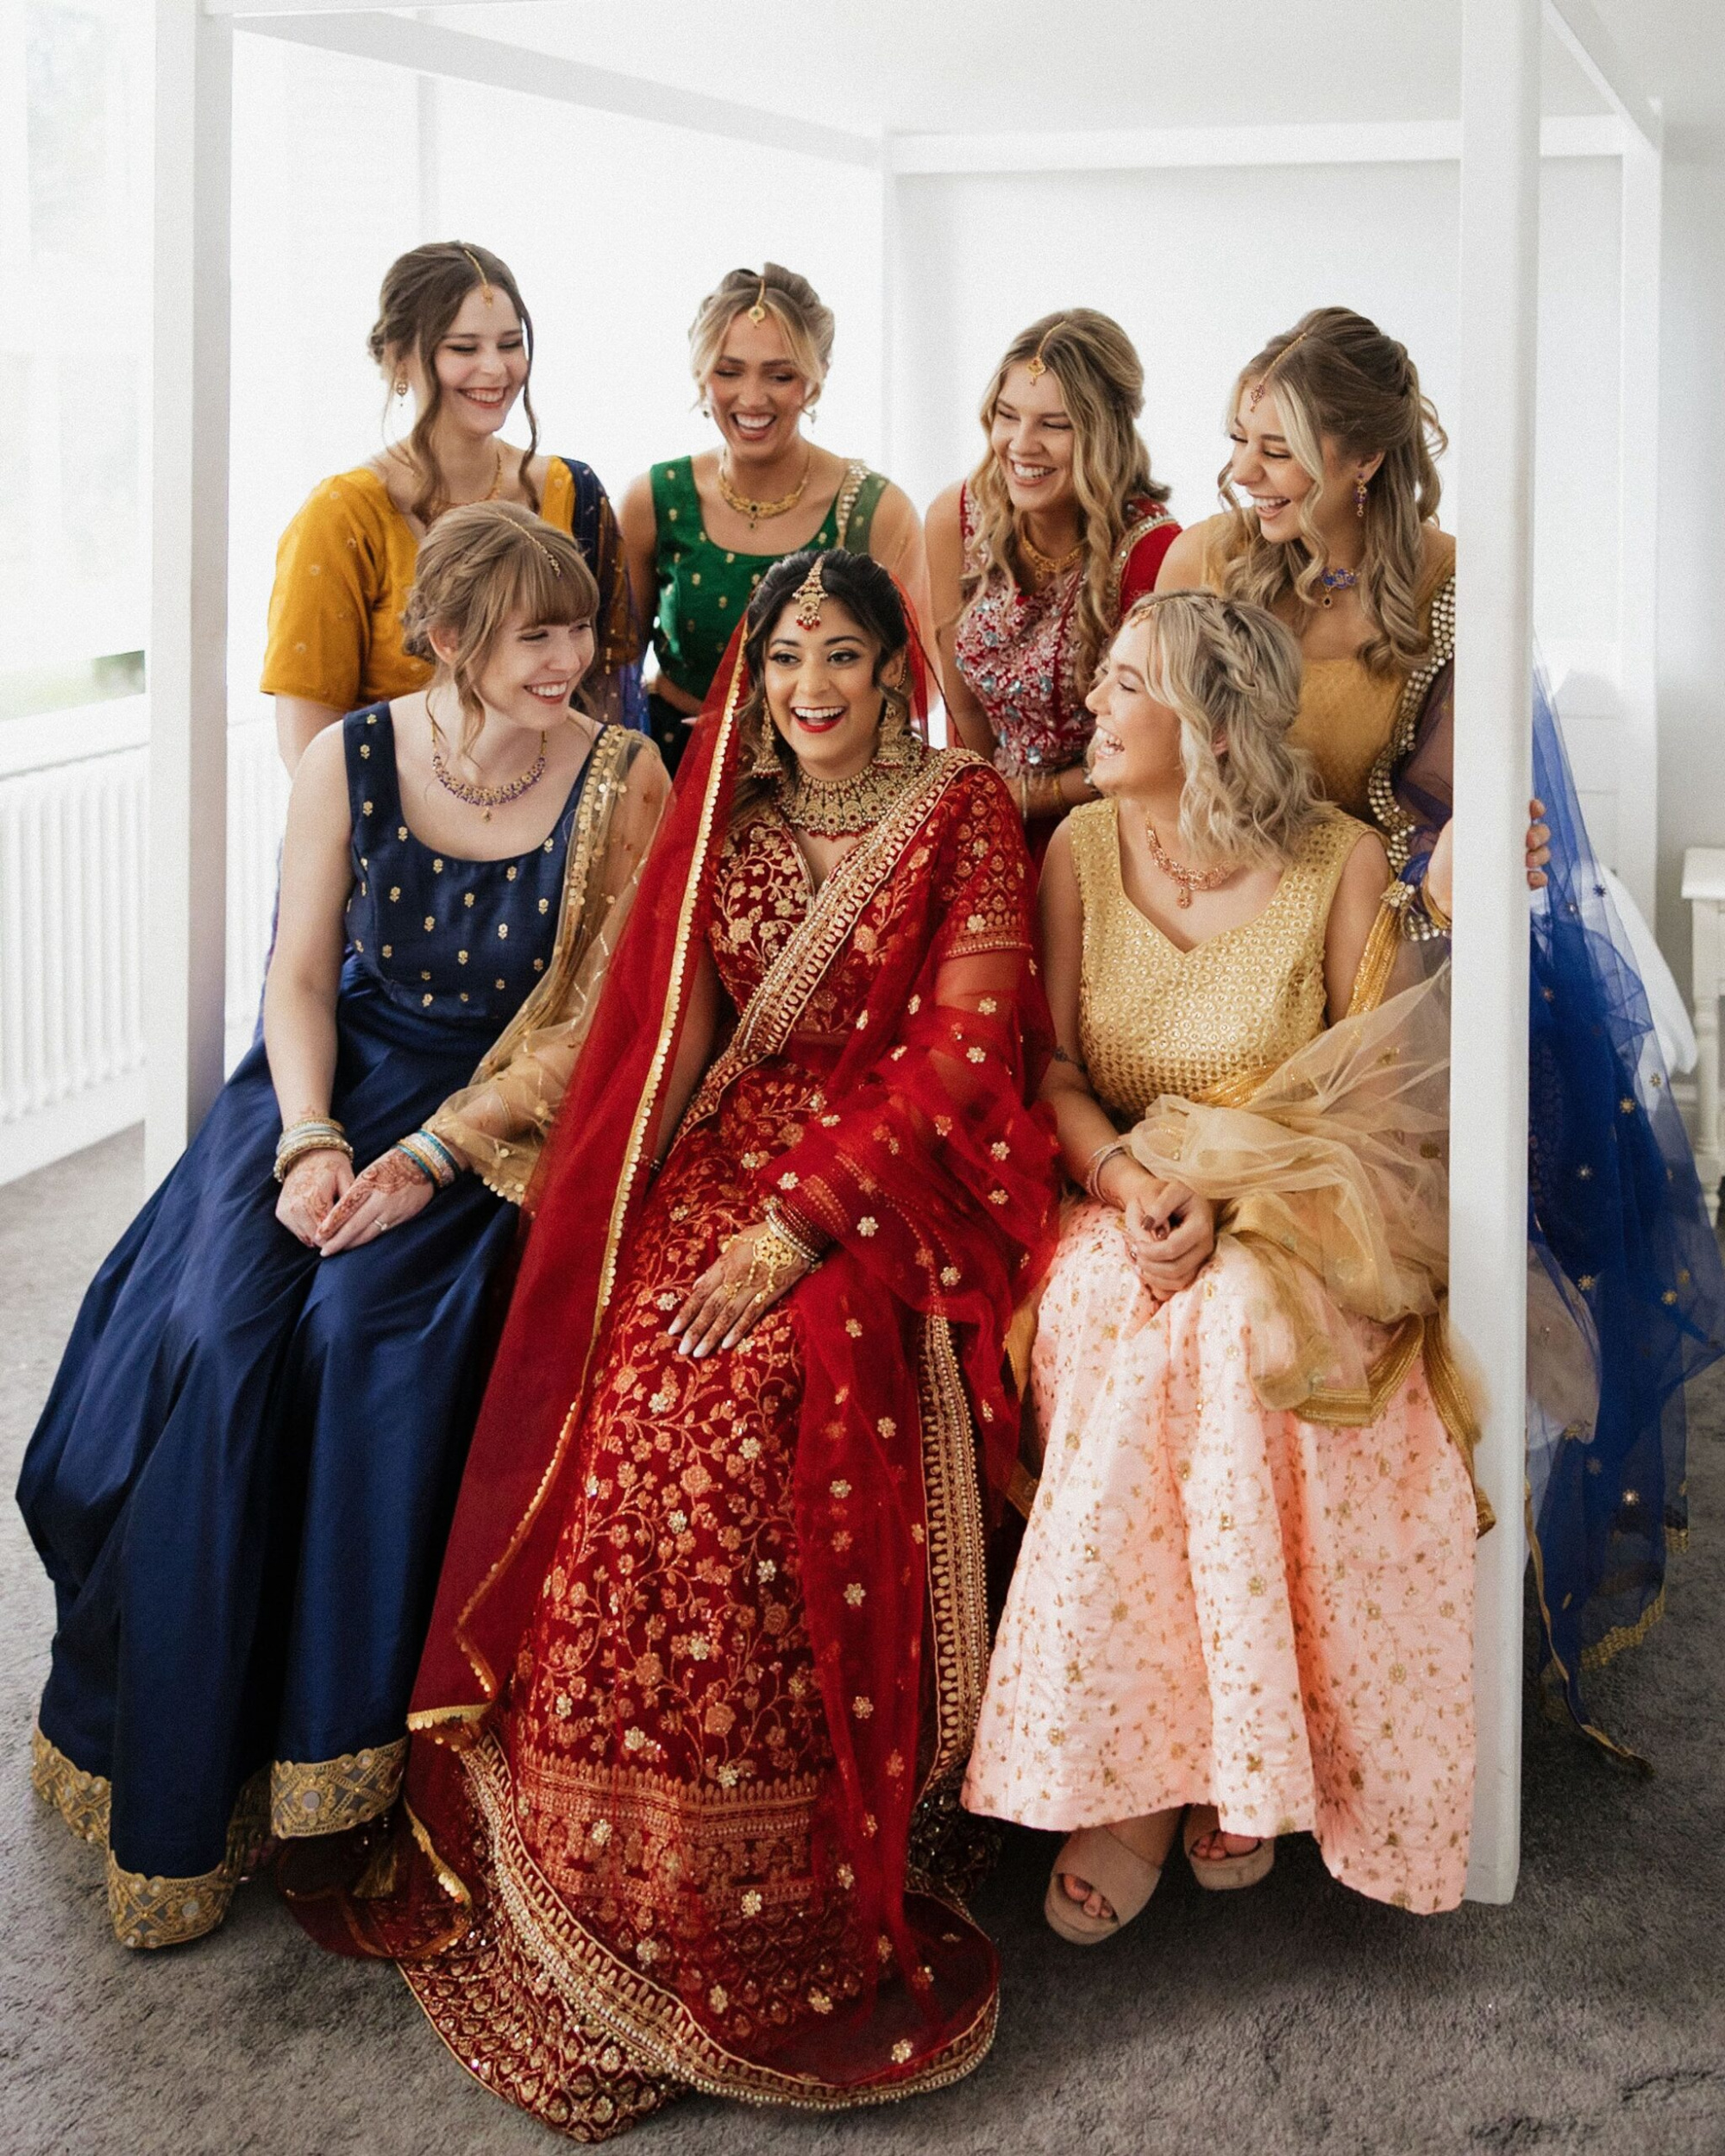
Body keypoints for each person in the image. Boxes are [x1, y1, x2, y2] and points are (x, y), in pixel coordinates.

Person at [290, 550, 1058, 2137]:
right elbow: (674, 1041)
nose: (815, 690)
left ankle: (778, 1875)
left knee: (768, 1401)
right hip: (734, 1152)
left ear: (892, 661)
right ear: (753, 673)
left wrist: (802, 1224)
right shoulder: (731, 811)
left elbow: (969, 1047)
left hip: (886, 1182)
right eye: (788, 661)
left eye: (846, 656)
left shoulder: (961, 805)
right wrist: (625, 1211)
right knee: (636, 1387)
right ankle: (596, 1862)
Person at [20, 504, 668, 1948]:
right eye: (529, 635)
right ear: (445, 636)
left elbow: (602, 1028)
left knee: (363, 1330)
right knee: (211, 1334)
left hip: (494, 1114)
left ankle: (335, 1768)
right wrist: (309, 1138)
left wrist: (434, 1155)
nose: (567, 659)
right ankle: (179, 1766)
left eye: (577, 629)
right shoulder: (351, 755)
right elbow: (300, 976)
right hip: (332, 1079)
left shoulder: (627, 773)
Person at [1157, 306, 1725, 1749]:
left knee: (1382, 1168)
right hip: (1225, 910)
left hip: (1373, 927)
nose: (1241, 473)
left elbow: (1457, 818)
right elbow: (1158, 749)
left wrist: (1457, 858)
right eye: (1235, 439)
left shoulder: (1460, 592)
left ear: (1360, 457)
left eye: (1274, 447)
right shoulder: (1208, 563)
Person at [964, 590, 1480, 1935]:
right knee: (1127, 1316)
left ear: (1204, 718)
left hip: (1304, 1189)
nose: (1090, 704)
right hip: (1116, 1181)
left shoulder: (1338, 859)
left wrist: (1232, 1189)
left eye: (1124, 683)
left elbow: (1382, 1087)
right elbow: (1058, 1069)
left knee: (1241, 1327)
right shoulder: (1078, 844)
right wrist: (1135, 1184)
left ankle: (1227, 1756)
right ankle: (1148, 1770)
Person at [263, 242, 639, 773]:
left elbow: (609, 695)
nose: (495, 369)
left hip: (553, 830)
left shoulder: (570, 491)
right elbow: (309, 753)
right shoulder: (343, 515)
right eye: (463, 349)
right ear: (399, 357)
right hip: (393, 837)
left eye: (510, 344)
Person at [619, 264, 927, 776]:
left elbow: (911, 689)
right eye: (729, 371)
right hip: (676, 766)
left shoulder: (876, 510)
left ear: (817, 375)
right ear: (701, 373)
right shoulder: (654, 499)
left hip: (823, 776)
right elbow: (611, 669)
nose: (753, 398)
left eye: (780, 375)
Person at [925, 310, 1180, 855]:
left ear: (1104, 431)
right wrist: (984, 812)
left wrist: (1023, 800)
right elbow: (961, 706)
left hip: (1109, 832)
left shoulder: (1154, 554)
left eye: (1053, 424)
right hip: (983, 808)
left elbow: (1155, 751)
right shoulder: (958, 516)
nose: (1021, 444)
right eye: (1007, 415)